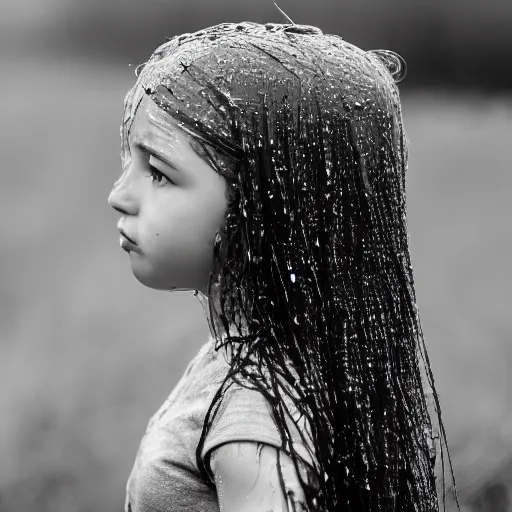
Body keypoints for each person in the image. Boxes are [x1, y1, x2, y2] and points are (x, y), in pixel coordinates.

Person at [108, 20, 458, 512]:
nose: (119, 196)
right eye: (130, 162)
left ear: (268, 208)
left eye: (160, 174)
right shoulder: (255, 357)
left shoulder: (253, 428)